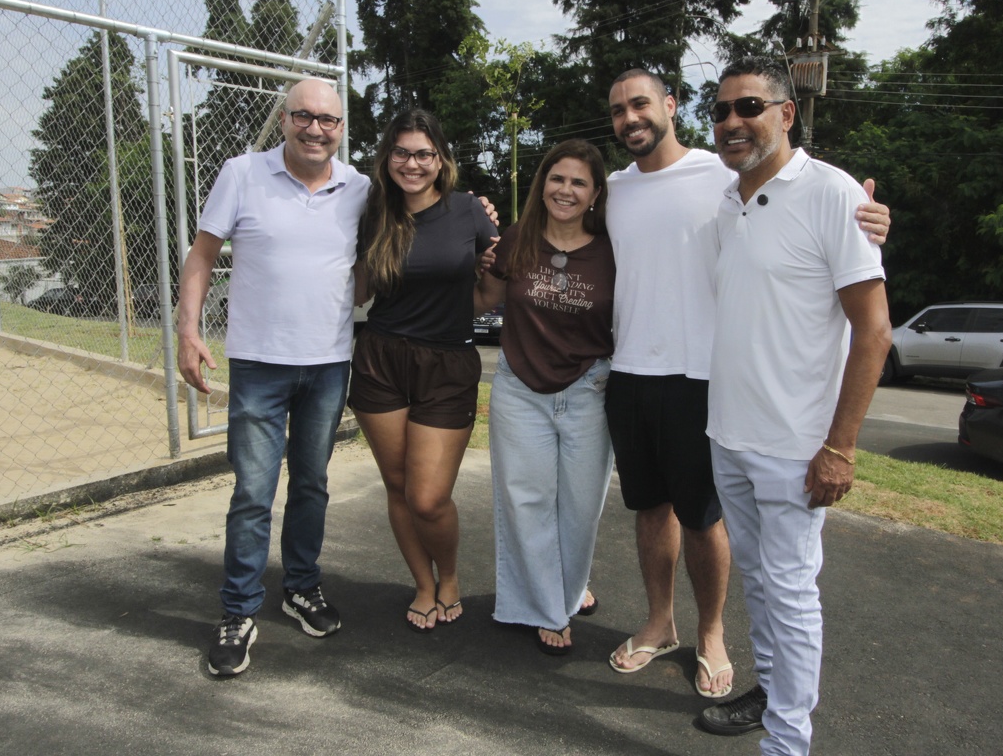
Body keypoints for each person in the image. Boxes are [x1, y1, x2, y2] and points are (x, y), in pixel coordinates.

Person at [601, 69, 892, 700]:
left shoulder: (724, 173)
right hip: (631, 374)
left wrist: (869, 219)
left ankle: (711, 635)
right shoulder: (613, 189)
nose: (631, 118)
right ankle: (660, 623)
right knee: (650, 510)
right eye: (619, 110)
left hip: (703, 380)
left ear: (671, 107)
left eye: (642, 104)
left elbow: (817, 223)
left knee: (705, 520)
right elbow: (557, 224)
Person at [697, 56, 891, 755]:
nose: (730, 123)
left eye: (748, 106)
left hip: (796, 450)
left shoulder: (834, 195)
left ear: (786, 113)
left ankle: (787, 744)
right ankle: (773, 694)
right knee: (759, 583)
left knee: (791, 595)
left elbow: (874, 331)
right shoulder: (728, 200)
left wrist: (840, 447)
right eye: (719, 111)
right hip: (730, 437)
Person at [177, 78, 368, 677]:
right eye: (303, 116)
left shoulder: (359, 187)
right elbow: (202, 255)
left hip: (330, 363)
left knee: (311, 484)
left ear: (341, 127)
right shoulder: (241, 173)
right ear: (284, 119)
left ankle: (301, 587)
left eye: (328, 120)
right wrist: (188, 331)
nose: (316, 129)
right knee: (253, 493)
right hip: (259, 364)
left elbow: (410, 218)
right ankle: (238, 610)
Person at [349, 108, 499, 633]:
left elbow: (494, 283)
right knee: (397, 486)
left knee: (429, 497)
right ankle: (423, 583)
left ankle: (450, 575)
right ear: (387, 157)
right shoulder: (372, 212)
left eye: (423, 154)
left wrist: (472, 297)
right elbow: (361, 292)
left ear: (441, 160)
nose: (412, 164)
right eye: (401, 153)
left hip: (448, 361)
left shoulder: (469, 212)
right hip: (382, 358)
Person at [475, 139, 614, 655]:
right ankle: (544, 606)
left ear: (596, 193)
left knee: (579, 506)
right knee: (526, 499)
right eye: (558, 179)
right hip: (519, 389)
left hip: (588, 389)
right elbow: (485, 298)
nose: (566, 190)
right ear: (543, 184)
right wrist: (474, 262)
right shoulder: (517, 238)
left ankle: (569, 589)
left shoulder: (612, 248)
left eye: (579, 182)